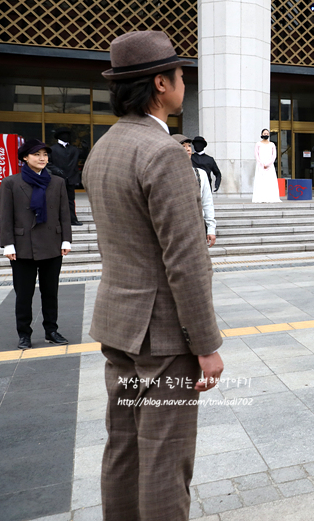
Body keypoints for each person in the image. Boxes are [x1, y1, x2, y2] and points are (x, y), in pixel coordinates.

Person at [83, 30, 223, 521]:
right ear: (161, 84)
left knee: (123, 446)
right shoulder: (163, 153)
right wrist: (206, 344)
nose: (185, 83)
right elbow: (185, 260)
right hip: (162, 337)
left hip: (118, 322)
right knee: (165, 458)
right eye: (181, 76)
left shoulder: (104, 149)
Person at [0, 139, 72, 350]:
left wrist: (66, 239)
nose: (42, 158)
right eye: (37, 154)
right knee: (24, 294)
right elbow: (6, 216)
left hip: (52, 244)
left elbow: (64, 214)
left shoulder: (57, 182)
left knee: (51, 292)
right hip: (22, 247)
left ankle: (51, 330)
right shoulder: (10, 182)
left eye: (45, 155)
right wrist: (8, 245)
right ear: (24, 157)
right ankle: (24, 333)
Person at [175, 134, 216, 247]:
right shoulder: (166, 174)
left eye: (189, 146)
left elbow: (207, 202)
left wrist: (211, 228)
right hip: (174, 229)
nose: (188, 149)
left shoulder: (200, 174)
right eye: (183, 146)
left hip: (197, 227)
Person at [49, 126, 83, 225]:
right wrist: (56, 170)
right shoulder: (52, 149)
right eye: (64, 135)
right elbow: (48, 162)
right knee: (57, 200)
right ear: (59, 136)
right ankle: (57, 220)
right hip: (58, 178)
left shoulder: (74, 149)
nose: (67, 137)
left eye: (68, 135)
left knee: (70, 200)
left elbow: (83, 156)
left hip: (71, 178)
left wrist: (85, 148)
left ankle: (73, 219)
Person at [252, 128, 281, 203]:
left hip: (270, 166)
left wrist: (268, 164)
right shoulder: (258, 144)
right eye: (264, 133)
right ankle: (261, 198)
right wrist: (261, 164)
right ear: (261, 134)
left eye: (267, 133)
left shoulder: (272, 144)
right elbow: (256, 155)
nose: (266, 135)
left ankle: (270, 197)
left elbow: (274, 156)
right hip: (260, 166)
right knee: (261, 182)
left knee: (270, 182)